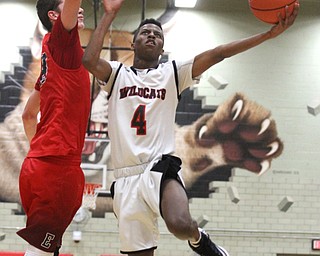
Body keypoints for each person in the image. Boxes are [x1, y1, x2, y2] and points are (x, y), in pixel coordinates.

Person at [82, 0, 299, 255]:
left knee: (180, 224)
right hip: (125, 177)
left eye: (157, 34)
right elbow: (89, 60)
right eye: (145, 33)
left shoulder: (172, 73)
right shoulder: (118, 74)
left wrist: (268, 35)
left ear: (163, 46)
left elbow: (219, 53)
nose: (152, 35)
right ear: (134, 43)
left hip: (158, 166)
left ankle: (199, 239)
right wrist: (109, 14)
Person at [17, 0, 90, 255]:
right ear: (53, 16)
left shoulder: (51, 62)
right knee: (39, 251)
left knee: (46, 248)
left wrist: (41, 150)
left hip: (38, 164)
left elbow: (28, 115)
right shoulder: (62, 41)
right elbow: (28, 116)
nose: (79, 9)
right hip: (57, 164)